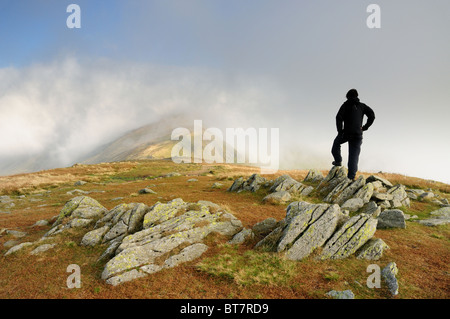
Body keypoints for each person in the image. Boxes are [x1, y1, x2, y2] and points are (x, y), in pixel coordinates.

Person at [331, 89, 375, 181]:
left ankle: (338, 161)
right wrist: (364, 127)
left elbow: (338, 117)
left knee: (336, 144)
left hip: (346, 133)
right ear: (357, 96)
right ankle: (351, 177)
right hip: (358, 134)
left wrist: (340, 132)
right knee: (353, 156)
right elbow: (372, 115)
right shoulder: (362, 106)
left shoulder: (345, 105)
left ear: (347, 96)